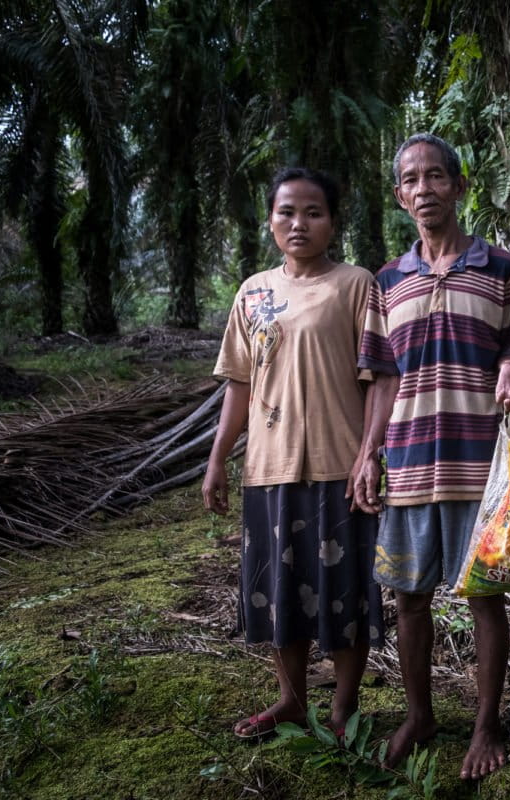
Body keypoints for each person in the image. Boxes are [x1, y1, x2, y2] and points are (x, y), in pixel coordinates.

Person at [351, 133, 510, 780]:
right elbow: (380, 378)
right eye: (411, 179)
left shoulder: (501, 269)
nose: (425, 189)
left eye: (437, 177)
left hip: (478, 462)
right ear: (400, 195)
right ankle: (420, 715)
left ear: (460, 187)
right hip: (407, 461)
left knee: (485, 596)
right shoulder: (386, 281)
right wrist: (366, 454)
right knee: (408, 598)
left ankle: (487, 723)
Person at [202, 167, 383, 738]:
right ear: (271, 220)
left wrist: (369, 456)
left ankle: (343, 706)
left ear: (332, 222)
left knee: (345, 592)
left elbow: (378, 377)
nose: (299, 223)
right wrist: (217, 458)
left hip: (340, 464)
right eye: (287, 212)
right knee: (279, 592)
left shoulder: (356, 285)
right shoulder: (252, 292)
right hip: (269, 467)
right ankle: (292, 700)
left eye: (313, 212)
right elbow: (238, 384)